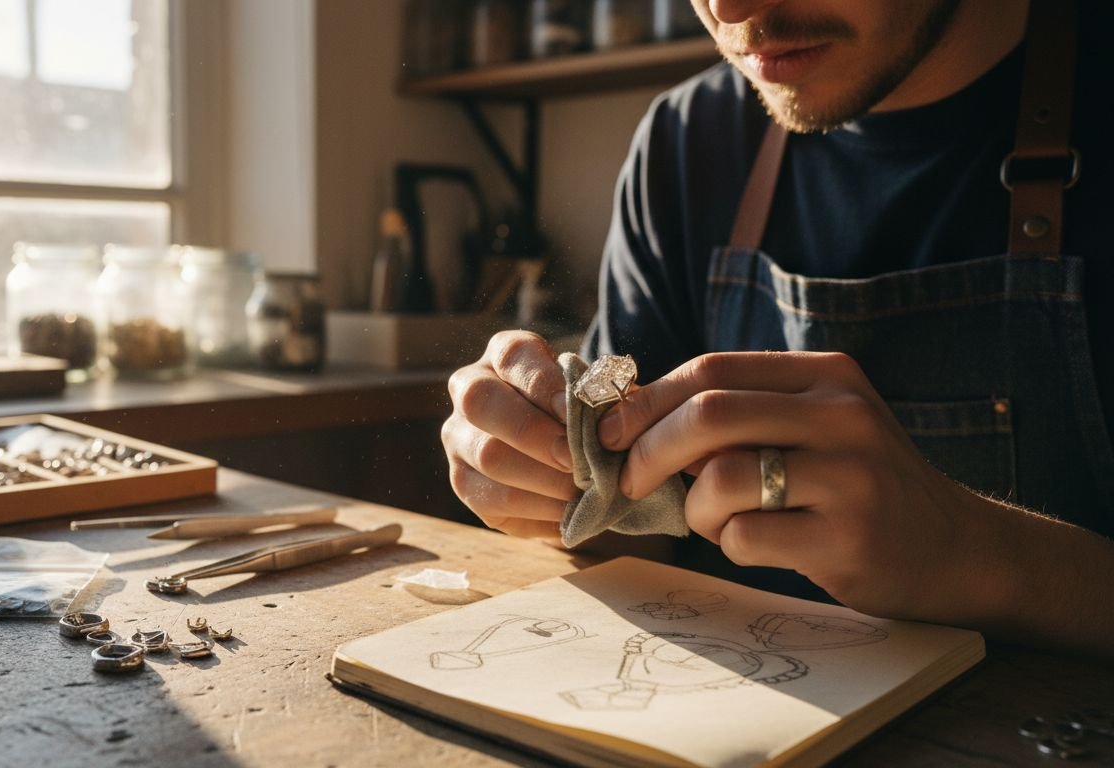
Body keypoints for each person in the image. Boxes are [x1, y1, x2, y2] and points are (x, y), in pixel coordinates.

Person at [441, 0, 1114, 657]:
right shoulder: (687, 143)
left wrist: (971, 551)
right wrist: (546, 477)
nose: (730, 12)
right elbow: (644, 527)